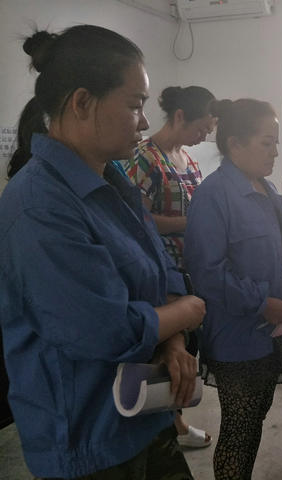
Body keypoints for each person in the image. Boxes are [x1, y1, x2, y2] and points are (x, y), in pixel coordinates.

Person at [0, 25, 206, 479]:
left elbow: (158, 267)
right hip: (89, 441)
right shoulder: (39, 206)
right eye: (134, 105)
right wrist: (187, 312)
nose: (144, 123)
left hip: (146, 411)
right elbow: (102, 328)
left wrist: (172, 341)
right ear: (82, 103)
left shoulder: (112, 181)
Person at [184, 98, 282, 479]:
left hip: (272, 332)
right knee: (239, 429)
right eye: (267, 143)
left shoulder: (267, 190)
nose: (275, 152)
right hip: (238, 338)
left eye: (276, 143)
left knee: (255, 417)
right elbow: (207, 272)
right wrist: (262, 303)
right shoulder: (213, 195)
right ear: (235, 144)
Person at [125, 85, 217, 448]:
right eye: (201, 128)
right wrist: (189, 224)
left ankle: (174, 421)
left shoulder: (187, 159)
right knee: (165, 354)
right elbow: (138, 221)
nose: (204, 136)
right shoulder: (146, 158)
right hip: (161, 274)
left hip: (189, 271)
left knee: (186, 350)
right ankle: (167, 428)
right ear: (180, 116)